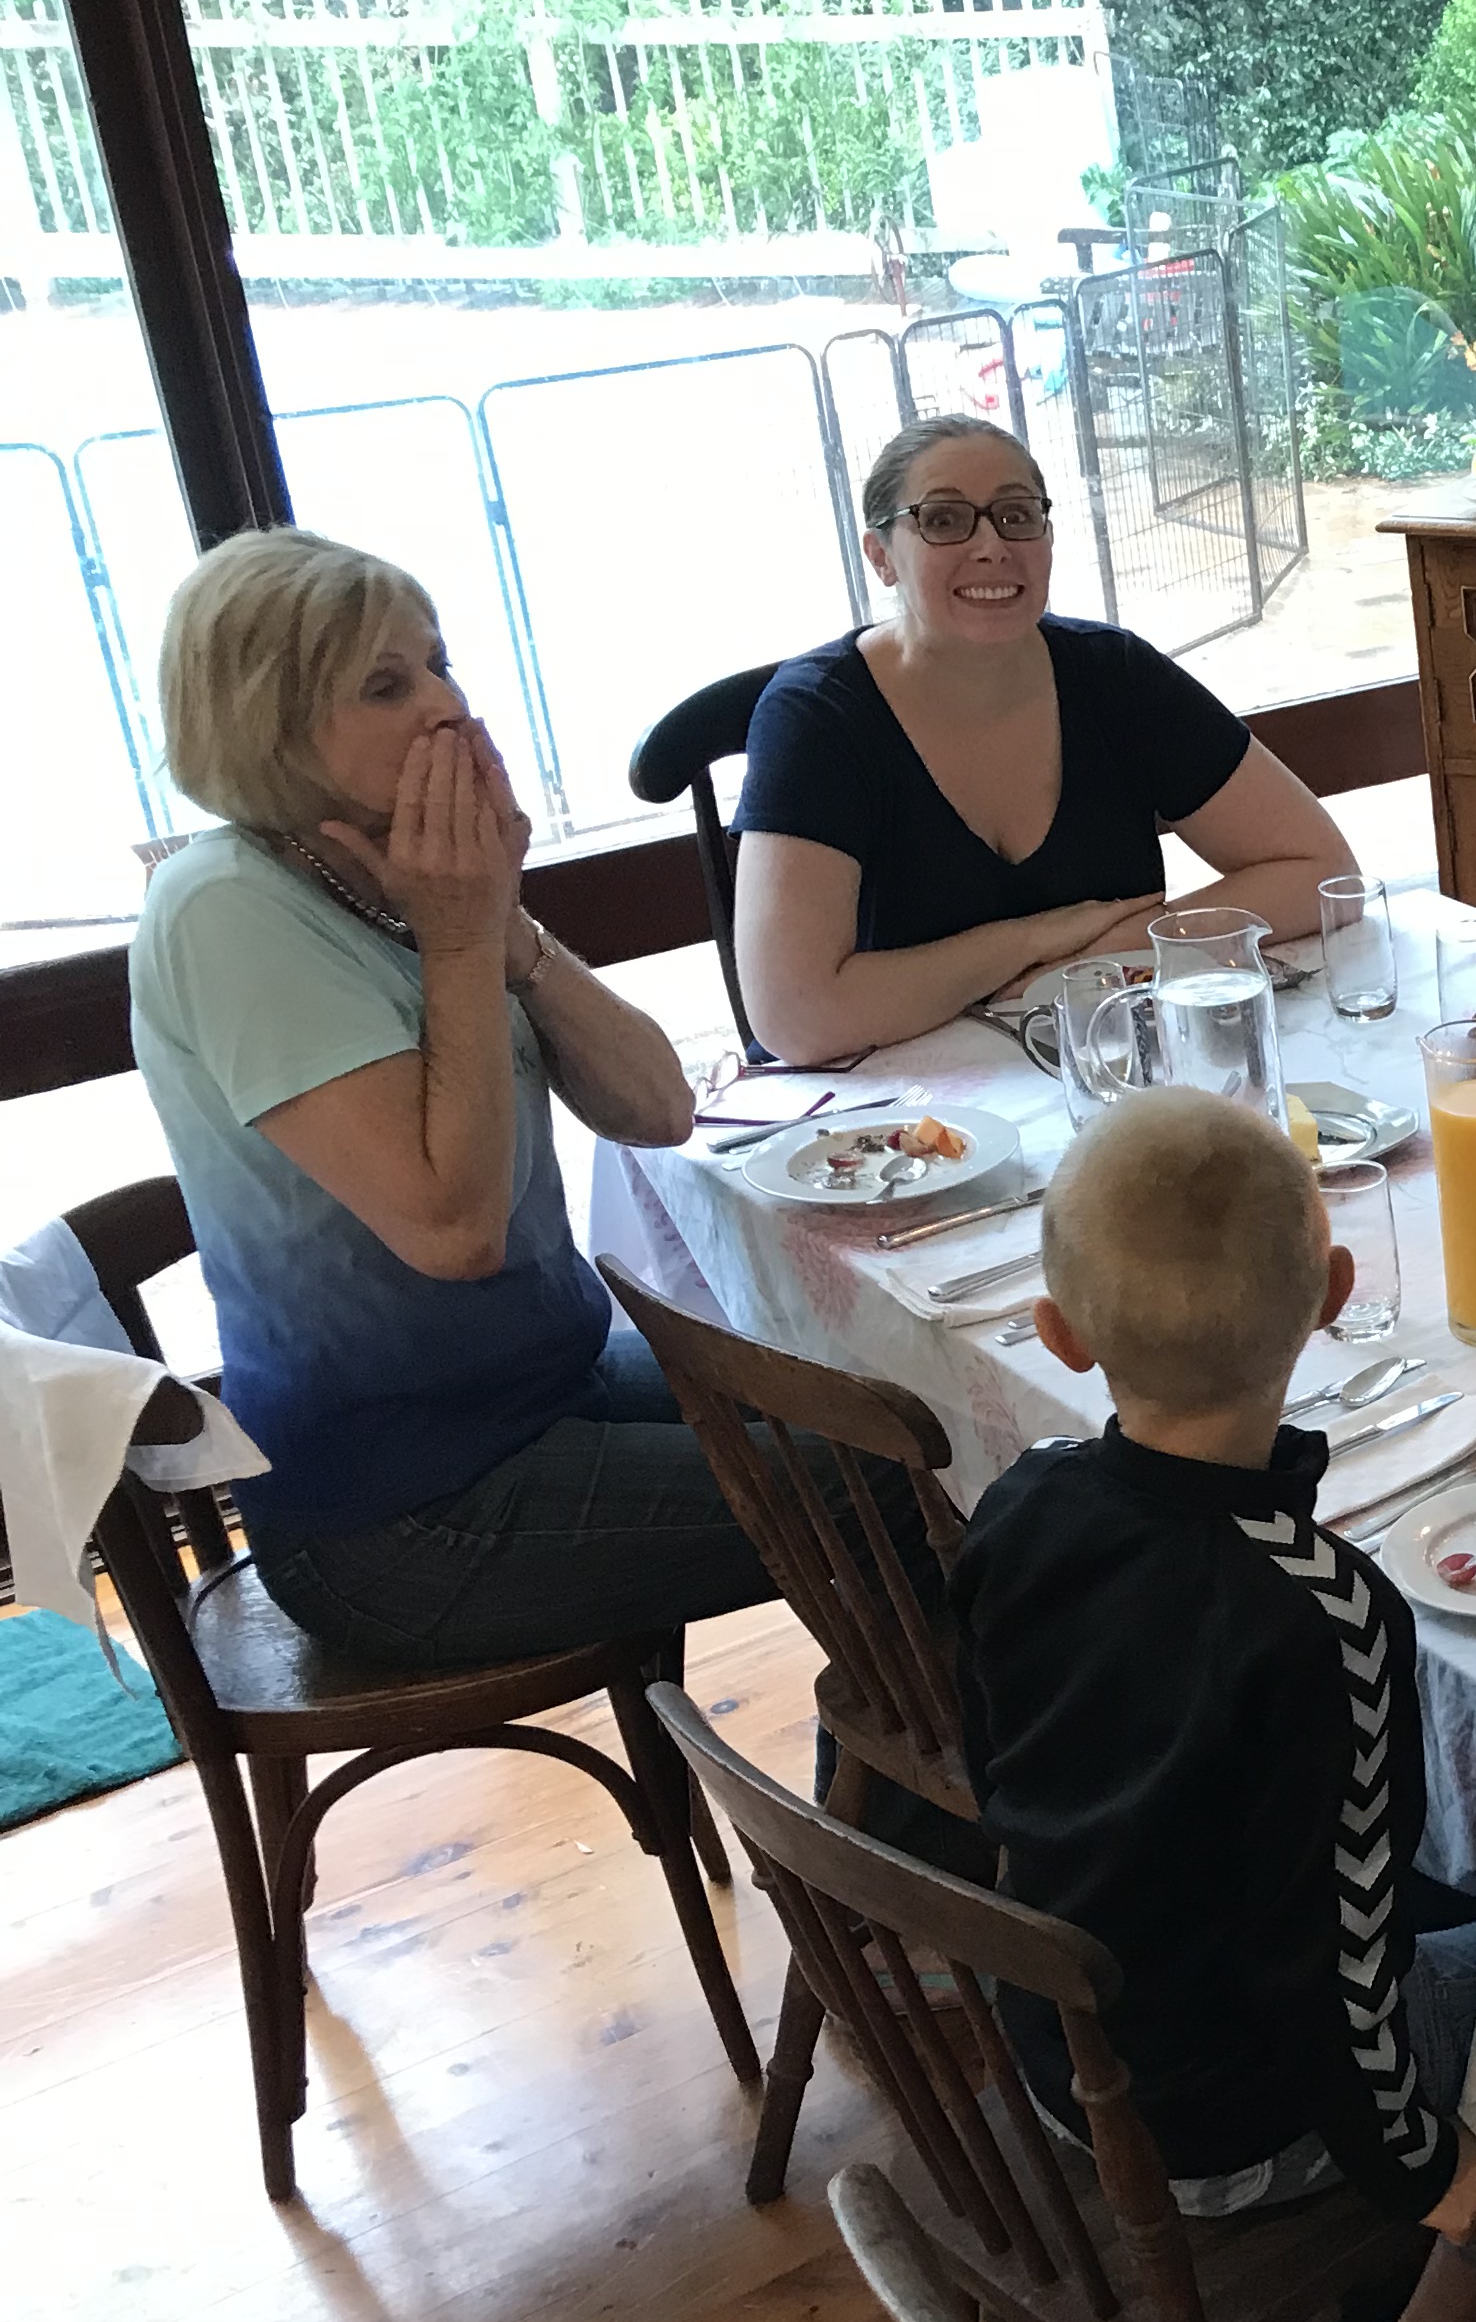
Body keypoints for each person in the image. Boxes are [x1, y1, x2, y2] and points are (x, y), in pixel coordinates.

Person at [954, 1087, 1476, 2322]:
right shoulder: (1326, 1612)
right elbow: (1328, 1963)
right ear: (1333, 1293)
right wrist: (1418, 2170)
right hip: (1229, 2130)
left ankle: (1368, 2287)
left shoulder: (1022, 1502)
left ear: (1058, 1333)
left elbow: (1001, 1780)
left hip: (1057, 2054)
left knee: (1454, 1900)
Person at [128, 528, 773, 1667]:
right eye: (388, 686)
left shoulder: (406, 875)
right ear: (272, 726)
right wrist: (464, 938)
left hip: (550, 1391)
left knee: (912, 1421)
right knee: (916, 1497)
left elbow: (658, 1108)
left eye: (439, 664)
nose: (447, 707)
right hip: (398, 1512)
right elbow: (455, 1232)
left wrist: (504, 930)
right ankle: (916, 1780)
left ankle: (920, 1762)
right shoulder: (222, 904)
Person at [732, 415, 1355, 1061]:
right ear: (881, 556)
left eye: (1016, 515)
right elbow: (794, 1018)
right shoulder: (816, 716)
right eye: (943, 520)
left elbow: (1324, 874)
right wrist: (1027, 942)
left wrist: (1117, 948)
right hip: (897, 1105)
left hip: (1110, 1067)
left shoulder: (1115, 675)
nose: (991, 545)